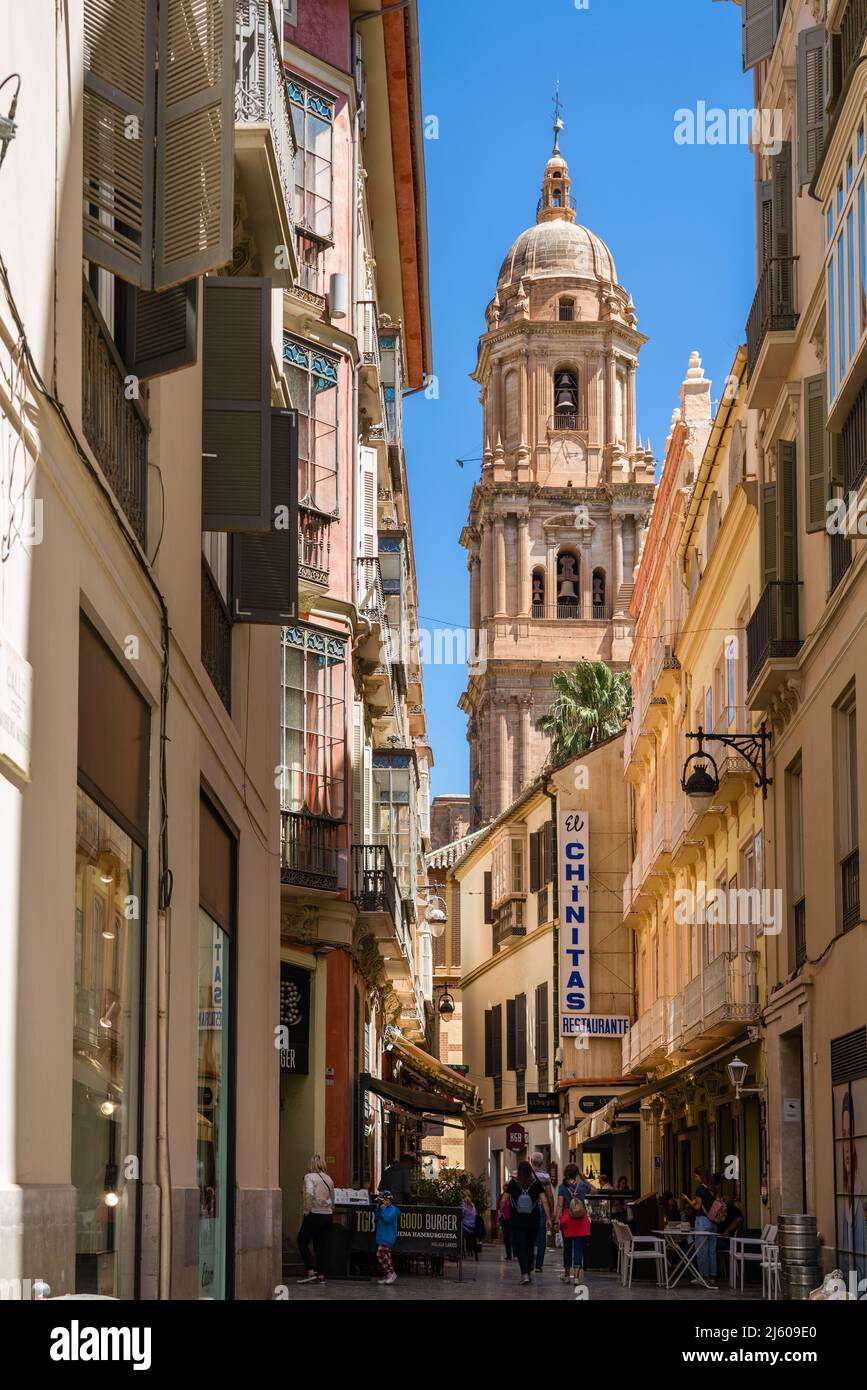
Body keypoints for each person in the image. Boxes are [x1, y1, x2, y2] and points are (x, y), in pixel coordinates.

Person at [505, 1160, 546, 1285]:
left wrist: (501, 1212)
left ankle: (525, 1274)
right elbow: (544, 1201)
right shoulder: (536, 1183)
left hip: (517, 1221)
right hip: (533, 1221)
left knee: (520, 1247)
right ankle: (528, 1267)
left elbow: (503, 1200)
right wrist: (549, 1217)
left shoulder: (513, 1183)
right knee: (529, 1245)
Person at [296, 1154, 335, 1284]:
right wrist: (330, 1209)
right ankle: (322, 1275)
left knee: (302, 1241)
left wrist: (306, 1210)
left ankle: (310, 1271)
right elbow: (333, 1197)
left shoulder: (309, 1177)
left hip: (315, 1213)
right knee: (321, 1245)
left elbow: (309, 1193)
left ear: (311, 1164)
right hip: (327, 1215)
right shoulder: (329, 1178)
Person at [555, 1162, 594, 1284]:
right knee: (578, 1248)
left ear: (566, 1174)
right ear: (577, 1173)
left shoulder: (562, 1187)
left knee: (567, 1248)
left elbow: (560, 1205)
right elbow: (595, 1191)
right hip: (580, 1219)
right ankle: (576, 1277)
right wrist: (584, 1178)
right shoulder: (582, 1185)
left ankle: (567, 1275)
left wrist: (557, 1219)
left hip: (567, 1219)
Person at [683, 1166, 719, 1284]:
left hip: (703, 1221)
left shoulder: (699, 1189)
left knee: (701, 1249)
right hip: (713, 1221)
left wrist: (687, 1199)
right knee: (712, 1250)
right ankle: (712, 1277)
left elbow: (697, 1207)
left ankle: (703, 1276)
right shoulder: (713, 1188)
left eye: (696, 1176)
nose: (695, 1178)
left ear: (700, 1176)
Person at [530, 1151, 555, 1274]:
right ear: (541, 1163)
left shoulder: (526, 1175)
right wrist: (551, 1211)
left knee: (528, 1235)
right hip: (542, 1208)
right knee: (541, 1237)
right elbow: (549, 1195)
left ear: (531, 1161)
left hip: (528, 1209)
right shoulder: (545, 1176)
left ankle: (529, 1262)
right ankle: (539, 1264)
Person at [374, 1189, 400, 1285]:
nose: (380, 1203)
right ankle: (389, 1274)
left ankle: (391, 1273)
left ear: (387, 1200)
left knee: (380, 1254)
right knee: (387, 1256)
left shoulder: (392, 1209)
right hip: (382, 1236)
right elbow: (377, 1218)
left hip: (388, 1237)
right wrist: (378, 1209)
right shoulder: (382, 1209)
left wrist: (383, 1208)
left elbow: (387, 1219)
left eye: (382, 1201)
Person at [497, 1187, 514, 1261]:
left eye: (507, 1186)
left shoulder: (513, 1197)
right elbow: (498, 1208)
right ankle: (509, 1255)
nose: (506, 1188)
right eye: (505, 1186)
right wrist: (498, 1219)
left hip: (513, 1219)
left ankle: (515, 1252)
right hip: (504, 1219)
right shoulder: (501, 1196)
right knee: (506, 1238)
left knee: (513, 1237)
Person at [461, 1189, 478, 1258]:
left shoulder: (463, 1204)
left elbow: (461, 1215)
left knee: (458, 1231)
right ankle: (471, 1251)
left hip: (466, 1228)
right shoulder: (472, 1205)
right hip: (473, 1228)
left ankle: (462, 1252)